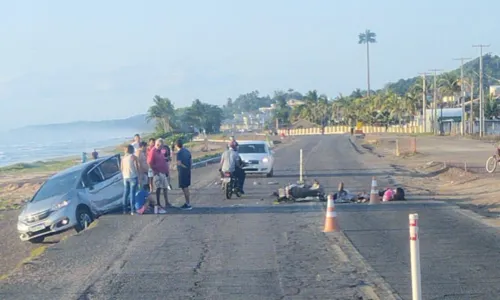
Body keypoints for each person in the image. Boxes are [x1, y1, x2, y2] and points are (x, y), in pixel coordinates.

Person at [147, 138, 170, 213]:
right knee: (158, 188)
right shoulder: (153, 151)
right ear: (158, 144)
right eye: (161, 146)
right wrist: (154, 171)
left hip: (163, 171)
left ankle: (167, 202)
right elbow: (149, 162)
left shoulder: (160, 151)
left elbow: (162, 160)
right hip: (157, 172)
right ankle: (158, 203)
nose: (162, 147)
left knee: (165, 187)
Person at [121, 144, 141, 215]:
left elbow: (121, 168)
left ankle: (124, 210)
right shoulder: (133, 157)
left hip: (125, 177)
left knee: (125, 193)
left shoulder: (123, 158)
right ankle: (133, 210)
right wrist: (139, 176)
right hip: (132, 176)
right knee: (132, 193)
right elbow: (137, 167)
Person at [176, 139, 192, 210]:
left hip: (182, 172)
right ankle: (188, 202)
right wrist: (188, 167)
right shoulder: (187, 151)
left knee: (184, 188)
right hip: (188, 171)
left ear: (176, 145)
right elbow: (191, 161)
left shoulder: (179, 153)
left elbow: (179, 163)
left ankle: (187, 203)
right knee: (186, 187)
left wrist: (183, 167)